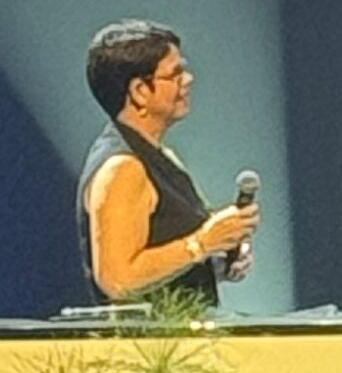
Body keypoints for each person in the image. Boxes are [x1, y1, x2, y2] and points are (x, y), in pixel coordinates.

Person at [75, 19, 257, 304]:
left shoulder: (160, 156)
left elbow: (163, 256)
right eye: (175, 74)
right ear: (139, 91)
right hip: (149, 347)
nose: (188, 79)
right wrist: (202, 243)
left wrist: (214, 262)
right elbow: (117, 279)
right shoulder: (122, 168)